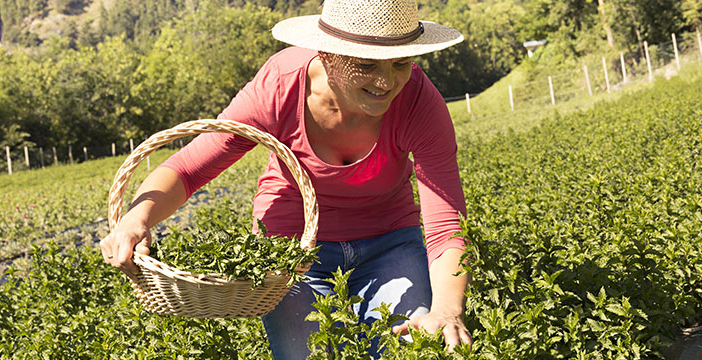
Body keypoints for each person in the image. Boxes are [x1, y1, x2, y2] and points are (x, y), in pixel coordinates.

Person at [100, 0, 472, 358]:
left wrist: (446, 311)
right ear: (327, 55)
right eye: (366, 65)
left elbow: (445, 225)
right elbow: (190, 168)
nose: (386, 82)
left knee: (409, 348)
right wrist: (137, 218)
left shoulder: (419, 102)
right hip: (291, 252)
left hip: (389, 242)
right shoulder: (280, 85)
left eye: (401, 63)